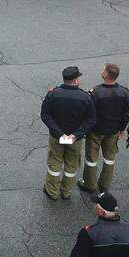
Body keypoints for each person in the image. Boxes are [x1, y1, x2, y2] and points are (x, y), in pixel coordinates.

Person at [41, 66, 97, 200]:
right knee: (71, 164)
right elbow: (91, 120)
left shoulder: (53, 94)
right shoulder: (85, 97)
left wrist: (60, 133)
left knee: (54, 163)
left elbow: (45, 115)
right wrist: (75, 135)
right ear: (76, 80)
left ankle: (52, 191)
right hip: (75, 139)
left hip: (57, 137)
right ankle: (66, 191)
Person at [80, 63, 129, 194]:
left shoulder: (96, 92)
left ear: (106, 74)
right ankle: (104, 184)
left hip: (96, 131)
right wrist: (121, 129)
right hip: (113, 130)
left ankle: (90, 184)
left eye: (103, 69)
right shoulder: (124, 92)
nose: (101, 70)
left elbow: (88, 112)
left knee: (91, 158)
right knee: (109, 158)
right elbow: (127, 113)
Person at [70, 192, 129, 257]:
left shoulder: (89, 233)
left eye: (96, 204)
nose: (94, 206)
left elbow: (78, 256)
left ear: (102, 212)